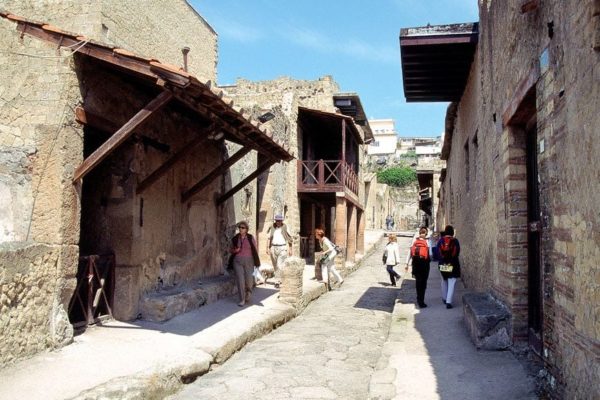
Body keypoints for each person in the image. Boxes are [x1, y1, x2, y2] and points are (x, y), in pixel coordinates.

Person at [229, 221, 261, 307]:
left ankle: (248, 293)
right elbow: (230, 250)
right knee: (240, 280)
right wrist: (235, 251)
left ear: (246, 229)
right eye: (239, 227)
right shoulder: (236, 238)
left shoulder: (250, 238)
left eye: (242, 228)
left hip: (249, 261)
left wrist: (256, 262)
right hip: (238, 261)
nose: (240, 229)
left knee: (249, 280)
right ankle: (242, 299)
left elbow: (255, 249)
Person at [436, 225, 461, 309]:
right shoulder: (455, 241)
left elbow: (437, 253)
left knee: (444, 281)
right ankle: (448, 302)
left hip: (442, 264)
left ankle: (444, 298)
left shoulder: (441, 241)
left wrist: (442, 261)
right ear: (452, 232)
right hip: (453, 265)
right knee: (451, 283)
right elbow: (457, 253)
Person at [405, 227, 430, 308]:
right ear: (426, 233)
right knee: (423, 282)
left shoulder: (415, 241)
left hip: (415, 264)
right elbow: (431, 254)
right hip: (425, 264)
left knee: (418, 282)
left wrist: (407, 263)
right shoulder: (428, 241)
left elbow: (410, 252)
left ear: (419, 233)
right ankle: (421, 301)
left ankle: (418, 298)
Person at [267, 214, 293, 286]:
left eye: (279, 221)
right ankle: (278, 279)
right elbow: (268, 238)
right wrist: (267, 248)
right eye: (277, 221)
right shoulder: (272, 227)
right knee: (275, 265)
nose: (278, 222)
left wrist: (290, 249)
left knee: (279, 265)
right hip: (273, 247)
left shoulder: (285, 227)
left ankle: (277, 281)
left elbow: (289, 238)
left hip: (282, 248)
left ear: (282, 221)